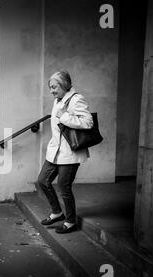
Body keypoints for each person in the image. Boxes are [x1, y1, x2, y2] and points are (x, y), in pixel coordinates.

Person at [37, 71, 93, 234]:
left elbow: (88, 122)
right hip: (55, 150)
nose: (52, 91)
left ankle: (70, 221)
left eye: (54, 87)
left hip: (69, 152)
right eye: (50, 88)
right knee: (42, 181)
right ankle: (57, 212)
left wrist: (65, 116)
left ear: (64, 85)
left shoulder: (76, 99)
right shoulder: (58, 100)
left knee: (63, 185)